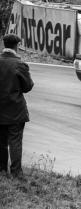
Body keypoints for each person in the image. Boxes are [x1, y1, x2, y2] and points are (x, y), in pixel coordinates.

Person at [0, 34, 34, 178]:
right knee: (15, 142)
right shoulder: (19, 65)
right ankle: (16, 172)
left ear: (4, 45)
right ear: (17, 46)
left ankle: (2, 170)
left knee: (1, 142)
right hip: (15, 111)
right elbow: (27, 87)